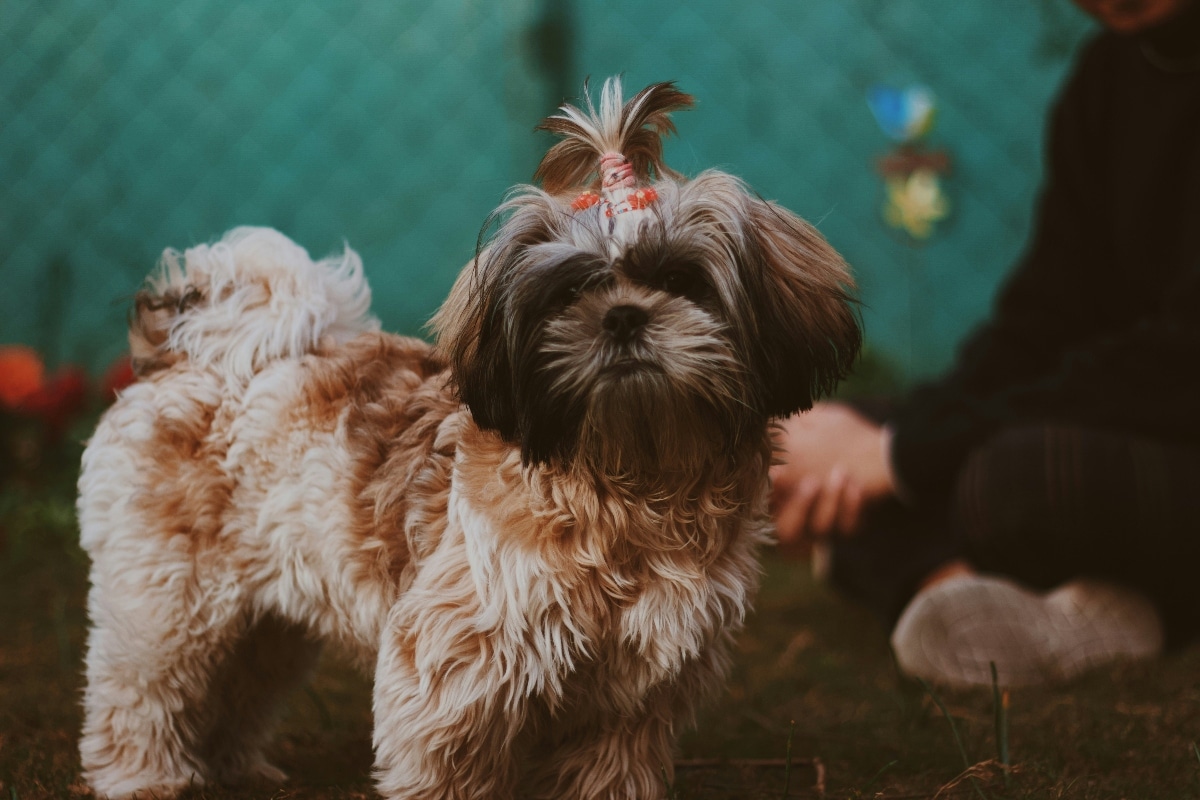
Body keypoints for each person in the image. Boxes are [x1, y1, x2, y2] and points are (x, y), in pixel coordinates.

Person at [771, 0, 1200, 687]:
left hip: (1162, 433)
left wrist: (900, 458)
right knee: (832, 438)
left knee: (1013, 479)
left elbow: (1179, 367)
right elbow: (1039, 324)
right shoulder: (1107, 77)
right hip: (1139, 441)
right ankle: (976, 593)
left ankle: (905, 562)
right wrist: (881, 444)